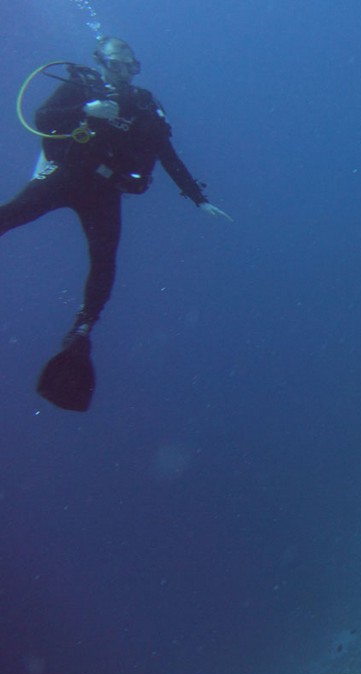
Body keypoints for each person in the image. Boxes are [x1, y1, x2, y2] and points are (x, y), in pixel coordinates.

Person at [0, 36, 231, 411]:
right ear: (101, 63)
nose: (122, 72)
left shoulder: (144, 105)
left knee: (105, 261)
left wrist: (198, 198)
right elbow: (42, 119)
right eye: (115, 64)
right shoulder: (83, 86)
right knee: (13, 213)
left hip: (104, 192)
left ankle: (82, 329)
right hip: (69, 173)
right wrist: (87, 108)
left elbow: (167, 155)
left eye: (129, 66)